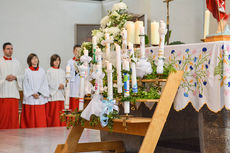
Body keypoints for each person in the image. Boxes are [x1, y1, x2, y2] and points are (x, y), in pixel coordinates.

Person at [21, 53, 49, 128]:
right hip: (31, 97)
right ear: (29, 61)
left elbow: (45, 83)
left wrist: (39, 93)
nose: (35, 60)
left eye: (36, 58)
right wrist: (32, 93)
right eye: (33, 58)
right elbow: (25, 84)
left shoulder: (42, 70)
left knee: (40, 118)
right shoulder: (27, 71)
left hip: (40, 97)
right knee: (31, 118)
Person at [0, 42, 23, 129]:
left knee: (13, 117)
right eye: (8, 49)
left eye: (11, 49)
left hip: (14, 92)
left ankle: (14, 135)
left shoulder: (17, 62)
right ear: (3, 50)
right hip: (3, 93)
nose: (10, 51)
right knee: (3, 116)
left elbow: (22, 76)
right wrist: (4, 78)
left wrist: (16, 77)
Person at [46, 54, 65, 127]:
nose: (57, 62)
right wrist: (57, 86)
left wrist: (63, 85)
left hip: (60, 94)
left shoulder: (62, 71)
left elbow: (64, 80)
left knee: (60, 112)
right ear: (52, 61)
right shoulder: (49, 71)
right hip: (53, 95)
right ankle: (53, 125)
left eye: (58, 60)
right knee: (53, 112)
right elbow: (49, 82)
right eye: (55, 60)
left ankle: (61, 125)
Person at [66, 45, 80, 111]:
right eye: (76, 50)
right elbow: (68, 74)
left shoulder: (84, 62)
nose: (78, 52)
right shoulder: (70, 62)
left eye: (79, 51)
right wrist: (76, 72)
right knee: (74, 106)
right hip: (73, 86)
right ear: (73, 52)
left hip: (81, 85)